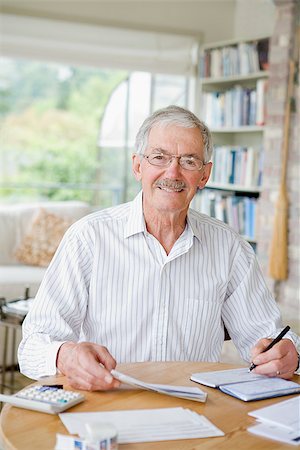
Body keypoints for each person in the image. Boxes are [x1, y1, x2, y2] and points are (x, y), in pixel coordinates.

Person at [18, 105, 300, 391]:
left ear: (205, 175)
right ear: (138, 166)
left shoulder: (230, 248)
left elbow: (268, 337)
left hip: (197, 411)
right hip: (108, 406)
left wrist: (289, 354)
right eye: (159, 157)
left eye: (189, 161)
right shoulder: (88, 238)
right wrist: (65, 356)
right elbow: (32, 346)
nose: (173, 172)